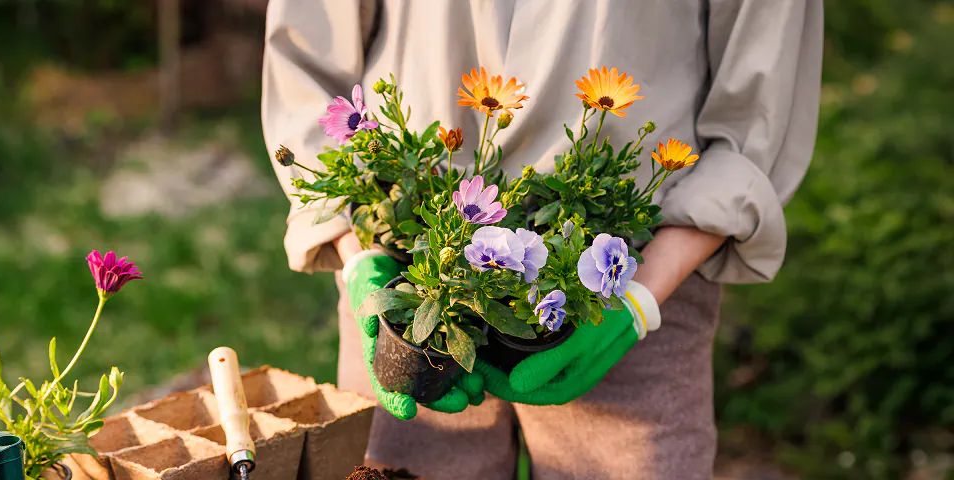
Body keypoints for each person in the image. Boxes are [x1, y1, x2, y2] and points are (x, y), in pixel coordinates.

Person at [261, 1, 822, 478]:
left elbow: (758, 106)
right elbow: (307, 66)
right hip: (407, 282)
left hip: (629, 271)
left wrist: (641, 298)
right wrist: (361, 259)